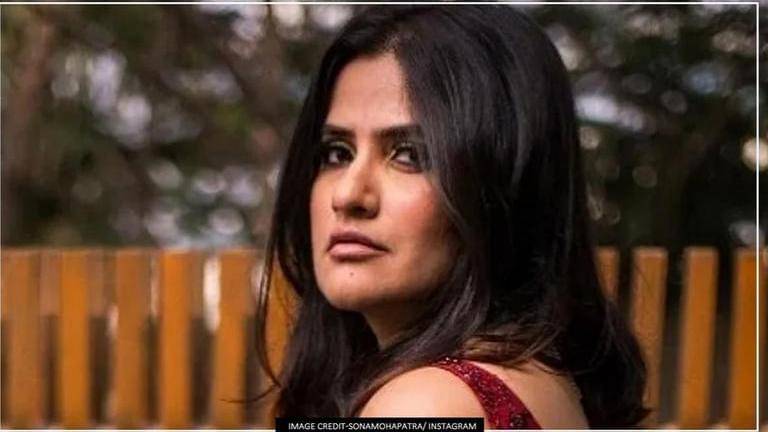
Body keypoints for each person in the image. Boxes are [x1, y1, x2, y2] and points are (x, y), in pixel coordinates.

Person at [256, 5, 648, 428]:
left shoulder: (425, 405)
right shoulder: (539, 375)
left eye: (409, 155)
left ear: (502, 184)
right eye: (337, 153)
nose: (348, 195)